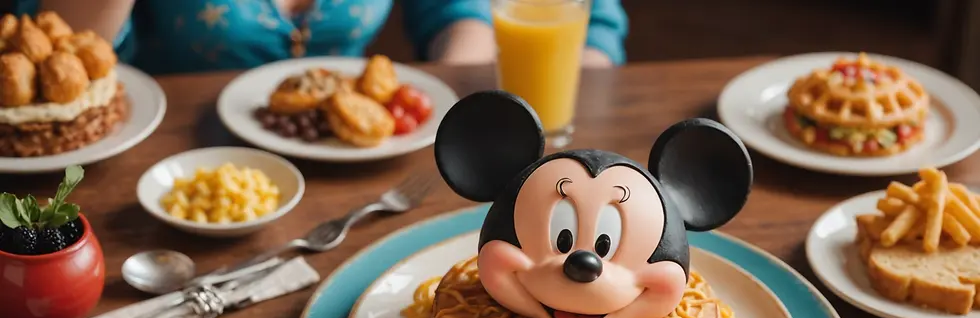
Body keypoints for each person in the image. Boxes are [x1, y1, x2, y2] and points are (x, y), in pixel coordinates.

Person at [14, 0, 628, 74]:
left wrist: (446, 89)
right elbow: (65, 57)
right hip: (165, 173)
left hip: (353, 173)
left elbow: (453, 13)